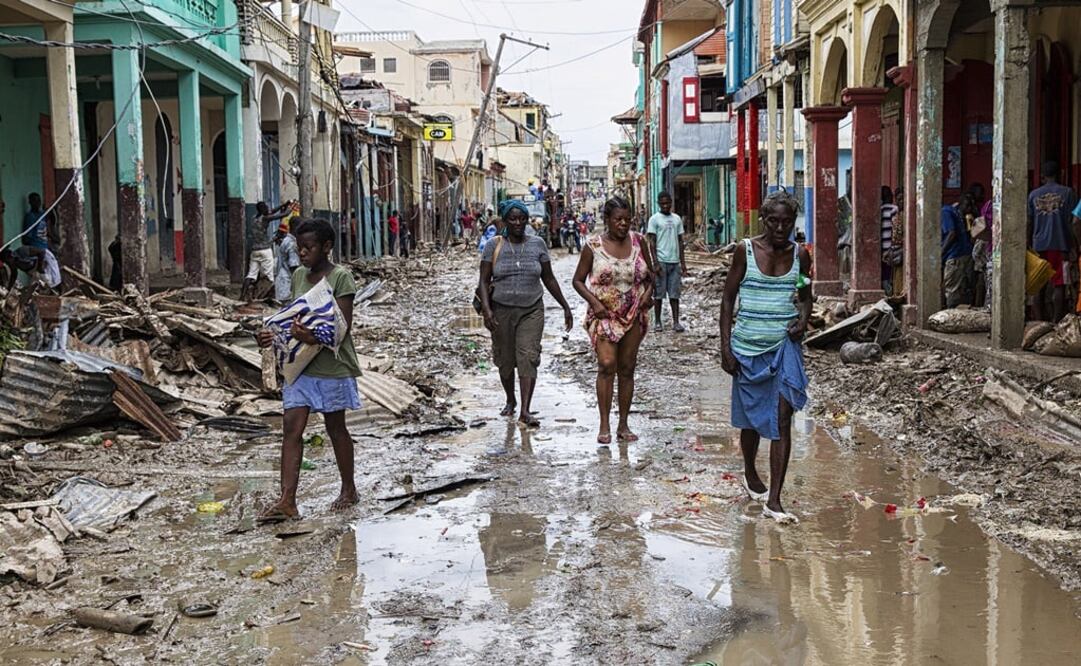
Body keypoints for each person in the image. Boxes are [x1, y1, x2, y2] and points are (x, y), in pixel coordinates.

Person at [256, 218, 362, 520]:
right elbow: (292, 316)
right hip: (300, 365)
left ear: (326, 247)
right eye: (300, 248)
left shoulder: (341, 278)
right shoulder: (300, 275)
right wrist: (270, 333)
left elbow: (342, 328)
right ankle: (287, 500)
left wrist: (312, 336)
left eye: (308, 248)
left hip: (332, 366)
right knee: (291, 427)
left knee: (335, 427)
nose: (302, 253)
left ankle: (348, 489)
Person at [720, 190, 811, 525]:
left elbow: (804, 295)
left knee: (782, 418)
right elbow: (728, 300)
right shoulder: (745, 251)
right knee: (750, 421)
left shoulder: (801, 255)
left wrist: (803, 320)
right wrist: (725, 347)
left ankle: (775, 499)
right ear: (763, 219)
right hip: (747, 348)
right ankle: (749, 470)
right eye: (773, 220)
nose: (780, 227)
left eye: (787, 221)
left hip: (783, 349)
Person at [478, 199, 574, 428]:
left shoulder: (538, 244)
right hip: (501, 310)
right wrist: (487, 311)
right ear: (504, 221)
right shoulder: (493, 245)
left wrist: (565, 305)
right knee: (505, 360)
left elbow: (548, 278)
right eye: (513, 219)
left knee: (528, 356)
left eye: (522, 218)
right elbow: (483, 281)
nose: (518, 223)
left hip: (532, 309)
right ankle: (510, 399)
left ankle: (525, 410)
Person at [573, 196, 654, 445]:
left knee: (627, 368)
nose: (623, 224)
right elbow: (577, 280)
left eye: (627, 220)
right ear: (607, 220)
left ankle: (623, 424)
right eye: (618, 219)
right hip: (605, 314)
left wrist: (648, 296)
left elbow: (651, 276)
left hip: (633, 314)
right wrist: (595, 303)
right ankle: (604, 423)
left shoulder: (640, 242)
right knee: (607, 364)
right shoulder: (593, 246)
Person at [1028, 161, 1079, 322]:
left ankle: (1039, 322)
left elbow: (1029, 221)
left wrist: (1028, 243)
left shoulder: (1033, 195)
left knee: (1038, 284)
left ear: (1042, 176)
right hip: (1060, 244)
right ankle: (1056, 322)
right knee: (1059, 284)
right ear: (1060, 174)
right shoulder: (1068, 193)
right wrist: (1073, 245)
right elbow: (1073, 222)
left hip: (1038, 245)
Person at [648, 191, 688, 332]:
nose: (665, 206)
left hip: (674, 262)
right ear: (659, 204)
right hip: (661, 262)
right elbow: (651, 243)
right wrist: (655, 263)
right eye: (663, 203)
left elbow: (680, 241)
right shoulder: (654, 219)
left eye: (668, 203)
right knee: (658, 294)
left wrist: (683, 264)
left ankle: (676, 322)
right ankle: (658, 322)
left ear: (671, 203)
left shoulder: (677, 219)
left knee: (674, 294)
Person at [243, 201, 292, 301]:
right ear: (264, 209)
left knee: (251, 275)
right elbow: (284, 214)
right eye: (266, 208)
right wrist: (291, 207)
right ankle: (265, 297)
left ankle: (242, 296)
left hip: (254, 251)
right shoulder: (265, 218)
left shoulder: (254, 218)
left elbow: (272, 211)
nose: (268, 209)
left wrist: (282, 205)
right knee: (269, 277)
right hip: (265, 250)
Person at [941, 193, 978, 308]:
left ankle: (951, 315)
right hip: (963, 255)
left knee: (953, 290)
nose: (969, 209)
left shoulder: (947, 212)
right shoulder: (952, 212)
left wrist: (940, 253)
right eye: (967, 206)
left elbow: (952, 234)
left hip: (956, 256)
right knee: (961, 289)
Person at [273, 220, 300, 302]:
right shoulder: (291, 244)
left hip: (282, 278)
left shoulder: (286, 240)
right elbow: (293, 266)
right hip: (287, 281)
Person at [880, 186, 899, 294]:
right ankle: (891, 293)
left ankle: (885, 292)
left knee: (884, 273)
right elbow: (896, 229)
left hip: (881, 247)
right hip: (891, 247)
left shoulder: (879, 210)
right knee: (891, 272)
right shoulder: (894, 209)